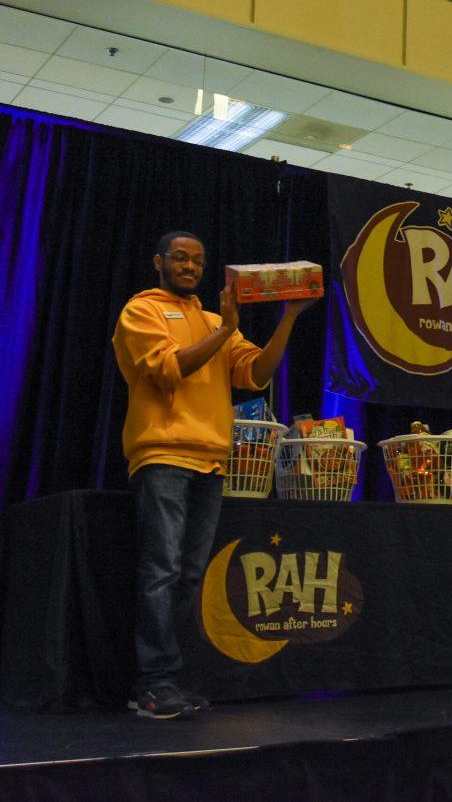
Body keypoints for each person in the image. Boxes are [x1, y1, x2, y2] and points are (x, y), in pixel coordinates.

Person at [113, 231, 316, 719]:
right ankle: (152, 684)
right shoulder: (141, 310)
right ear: (158, 261)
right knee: (160, 572)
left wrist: (287, 317)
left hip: (211, 459)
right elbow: (167, 370)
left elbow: (255, 374)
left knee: (187, 575)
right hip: (162, 454)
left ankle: (173, 680)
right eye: (180, 258)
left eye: (198, 261)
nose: (190, 267)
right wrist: (225, 331)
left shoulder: (210, 318)